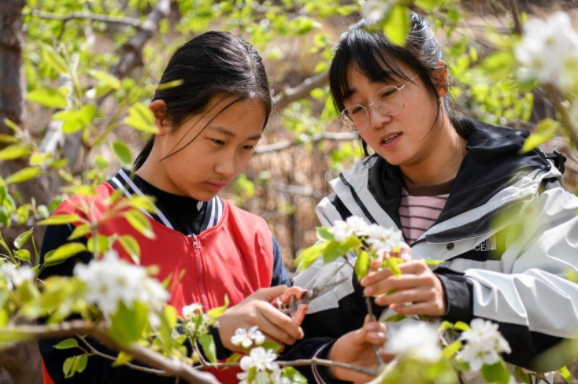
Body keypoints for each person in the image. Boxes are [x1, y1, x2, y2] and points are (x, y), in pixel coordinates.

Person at [282, 13, 578, 383]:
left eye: (388, 92)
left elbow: (569, 305)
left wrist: (452, 294)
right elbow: (298, 344)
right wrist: (333, 359)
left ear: (439, 79)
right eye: (356, 108)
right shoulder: (350, 214)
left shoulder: (523, 187)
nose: (375, 119)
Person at [38, 31, 306, 384]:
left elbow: (288, 361)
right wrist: (209, 336)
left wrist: (333, 357)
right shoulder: (86, 223)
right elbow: (77, 366)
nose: (229, 167)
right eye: (218, 141)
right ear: (161, 118)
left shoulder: (254, 238)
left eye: (247, 147)